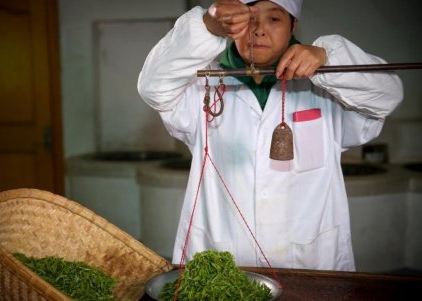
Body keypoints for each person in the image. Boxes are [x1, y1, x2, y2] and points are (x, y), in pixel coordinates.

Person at [137, 0, 403, 271]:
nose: (259, 30)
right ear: (230, 26)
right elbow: (152, 87)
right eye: (249, 18)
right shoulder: (203, 86)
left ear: (293, 25)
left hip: (309, 262)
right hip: (225, 262)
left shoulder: (329, 88)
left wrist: (329, 57)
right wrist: (206, 27)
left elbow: (389, 94)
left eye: (273, 19)